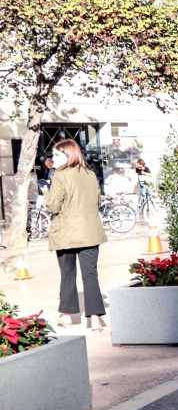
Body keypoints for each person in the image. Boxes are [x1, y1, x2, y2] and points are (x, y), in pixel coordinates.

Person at [46, 140, 107, 333]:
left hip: (66, 233)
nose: (52, 159)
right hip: (90, 231)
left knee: (68, 274)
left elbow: (53, 206)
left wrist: (46, 192)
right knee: (90, 276)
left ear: (68, 155)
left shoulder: (59, 176)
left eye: (56, 155)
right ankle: (95, 320)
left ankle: (67, 316)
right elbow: (97, 202)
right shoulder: (90, 175)